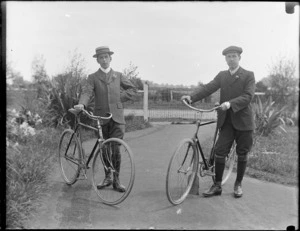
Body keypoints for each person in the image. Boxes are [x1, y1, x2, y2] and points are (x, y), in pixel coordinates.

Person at [181, 45, 255, 198]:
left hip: (244, 122)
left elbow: (248, 96)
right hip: (227, 122)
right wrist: (192, 97)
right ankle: (217, 185)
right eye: (228, 56)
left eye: (234, 56)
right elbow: (208, 88)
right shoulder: (222, 75)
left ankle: (238, 184)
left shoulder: (248, 75)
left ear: (239, 58)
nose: (231, 59)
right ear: (225, 59)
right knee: (220, 152)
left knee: (242, 153)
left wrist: (229, 104)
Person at [74, 46, 137, 192]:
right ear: (97, 60)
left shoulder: (119, 75)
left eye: (106, 57)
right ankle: (107, 176)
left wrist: (119, 98)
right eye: (100, 58)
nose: (104, 60)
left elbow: (132, 89)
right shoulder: (93, 78)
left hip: (117, 118)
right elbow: (87, 92)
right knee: (104, 148)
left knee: (116, 148)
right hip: (101, 117)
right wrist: (82, 104)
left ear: (110, 58)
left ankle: (116, 180)